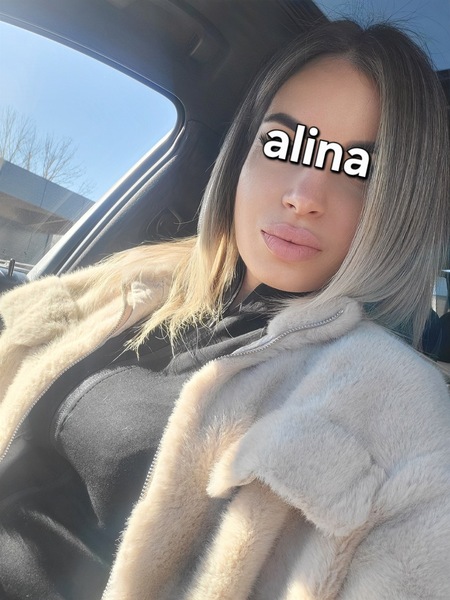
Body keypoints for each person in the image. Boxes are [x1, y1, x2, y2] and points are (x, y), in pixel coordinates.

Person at [0, 18, 449, 600]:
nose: (303, 196)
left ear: (400, 205)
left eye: (359, 169)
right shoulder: (134, 280)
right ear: (241, 155)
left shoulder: (396, 404)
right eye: (284, 145)